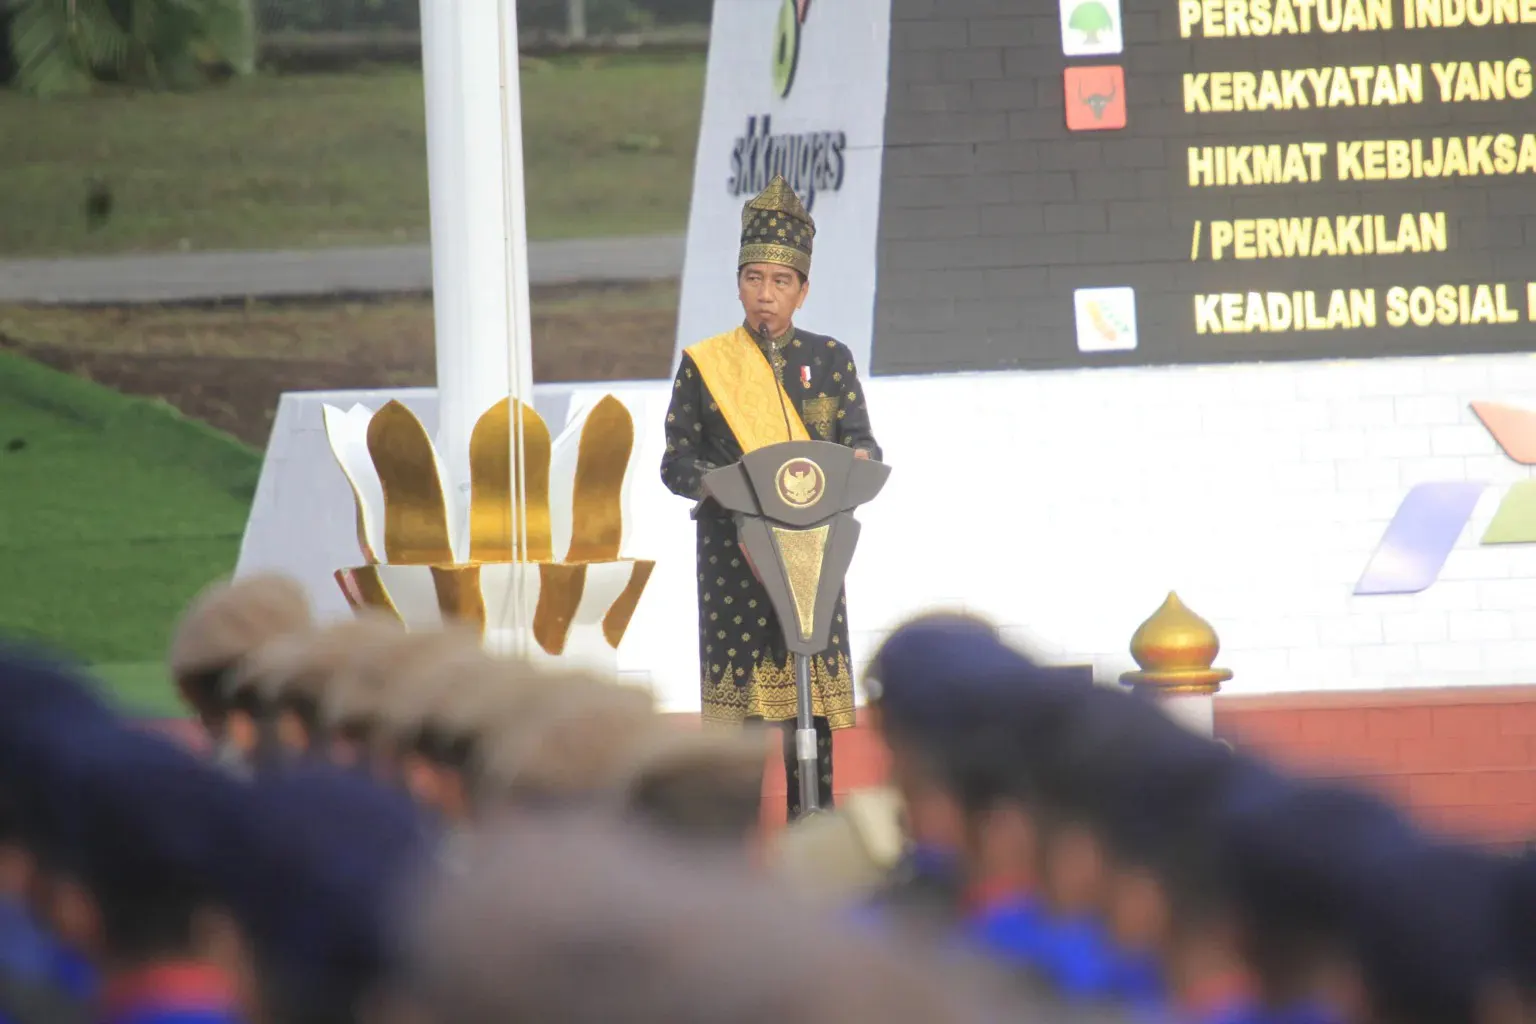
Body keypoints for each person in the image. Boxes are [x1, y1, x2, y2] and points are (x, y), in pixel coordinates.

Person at [660, 173, 880, 820]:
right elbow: (675, 462)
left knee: (811, 726)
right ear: (737, 284)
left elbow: (863, 445)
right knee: (738, 737)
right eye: (754, 278)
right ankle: (729, 850)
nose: (765, 293)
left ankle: (815, 838)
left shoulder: (831, 360)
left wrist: (860, 463)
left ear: (802, 291)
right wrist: (721, 483)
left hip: (813, 559)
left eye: (781, 281)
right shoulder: (706, 366)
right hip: (733, 561)